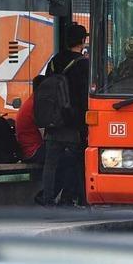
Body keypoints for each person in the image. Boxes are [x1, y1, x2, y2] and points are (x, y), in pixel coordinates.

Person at [41, 23, 89, 207]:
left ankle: (47, 201)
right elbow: (84, 96)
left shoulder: (54, 61)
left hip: (53, 122)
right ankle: (70, 200)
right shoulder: (83, 63)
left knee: (51, 164)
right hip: (73, 123)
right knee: (77, 163)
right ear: (83, 40)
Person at [15, 75, 45, 164]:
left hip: (27, 151)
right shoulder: (37, 105)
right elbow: (44, 134)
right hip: (34, 151)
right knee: (68, 156)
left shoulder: (31, 101)